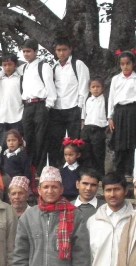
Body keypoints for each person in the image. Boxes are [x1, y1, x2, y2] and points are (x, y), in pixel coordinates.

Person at [48, 37, 90, 169]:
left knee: (75, 142)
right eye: (58, 50)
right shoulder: (53, 67)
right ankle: (57, 170)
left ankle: (78, 170)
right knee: (55, 142)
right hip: (57, 109)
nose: (61, 53)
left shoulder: (78, 65)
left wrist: (81, 110)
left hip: (74, 108)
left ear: (70, 49)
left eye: (64, 49)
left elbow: (84, 88)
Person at [19, 39, 56, 171]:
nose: (26, 54)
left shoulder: (43, 66)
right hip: (27, 106)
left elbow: (50, 88)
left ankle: (40, 170)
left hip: (40, 104)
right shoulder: (24, 67)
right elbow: (9, 68)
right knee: (28, 139)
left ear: (35, 51)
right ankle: (30, 170)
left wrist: (47, 106)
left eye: (28, 51)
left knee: (41, 139)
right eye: (24, 51)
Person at [108, 50, 136, 176]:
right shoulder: (116, 79)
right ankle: (118, 172)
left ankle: (129, 172)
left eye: (128, 63)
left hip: (133, 112)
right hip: (119, 112)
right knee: (119, 142)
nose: (125, 66)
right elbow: (111, 98)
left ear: (133, 63)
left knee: (130, 143)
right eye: (122, 64)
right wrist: (110, 117)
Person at [0, 54, 23, 148]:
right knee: (1, 147)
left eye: (10, 64)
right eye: (4, 65)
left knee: (16, 146)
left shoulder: (20, 79)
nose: (7, 67)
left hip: (17, 117)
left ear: (15, 65)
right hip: (2, 118)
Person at [81, 77, 108, 174]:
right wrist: (83, 128)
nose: (95, 89)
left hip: (99, 129)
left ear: (102, 88)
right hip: (87, 128)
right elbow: (84, 116)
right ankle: (88, 173)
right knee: (87, 152)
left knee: (98, 153)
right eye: (93, 87)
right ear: (89, 89)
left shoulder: (105, 100)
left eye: (98, 86)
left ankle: (100, 174)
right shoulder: (88, 100)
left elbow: (108, 115)